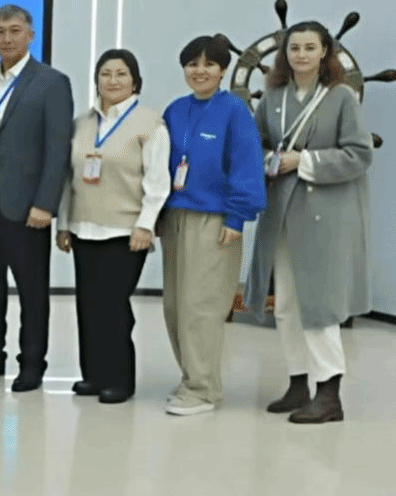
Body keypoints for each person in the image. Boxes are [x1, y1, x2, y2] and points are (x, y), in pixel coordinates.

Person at [244, 21, 372, 423]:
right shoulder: (273, 97)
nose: (301, 54)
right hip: (281, 213)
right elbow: (255, 146)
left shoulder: (341, 98)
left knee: (320, 305)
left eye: (309, 47)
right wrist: (271, 160)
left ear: (324, 52)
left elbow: (359, 155)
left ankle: (329, 394)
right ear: (285, 54)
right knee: (285, 305)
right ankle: (298, 383)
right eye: (294, 48)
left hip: (325, 216)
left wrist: (303, 161)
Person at [0, 4, 72, 392]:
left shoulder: (51, 82)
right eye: (0, 31)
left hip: (26, 203)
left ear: (30, 35)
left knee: (31, 289)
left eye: (15, 30)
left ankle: (32, 363)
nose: (7, 38)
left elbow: (57, 148)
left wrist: (45, 203)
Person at [56, 49, 170, 404]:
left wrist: (145, 226)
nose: (113, 80)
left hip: (125, 232)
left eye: (121, 74)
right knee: (88, 305)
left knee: (113, 306)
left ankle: (119, 379)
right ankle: (93, 375)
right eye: (106, 73)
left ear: (135, 81)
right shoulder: (82, 123)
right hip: (83, 228)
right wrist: (64, 224)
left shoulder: (150, 123)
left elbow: (157, 181)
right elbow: (68, 178)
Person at [159, 34, 265, 416]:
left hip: (216, 219)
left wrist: (237, 217)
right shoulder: (175, 110)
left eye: (209, 64)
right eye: (192, 64)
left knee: (201, 306)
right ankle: (191, 377)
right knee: (175, 306)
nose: (199, 71)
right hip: (175, 217)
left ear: (222, 70)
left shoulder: (234, 111)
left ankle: (203, 390)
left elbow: (247, 164)